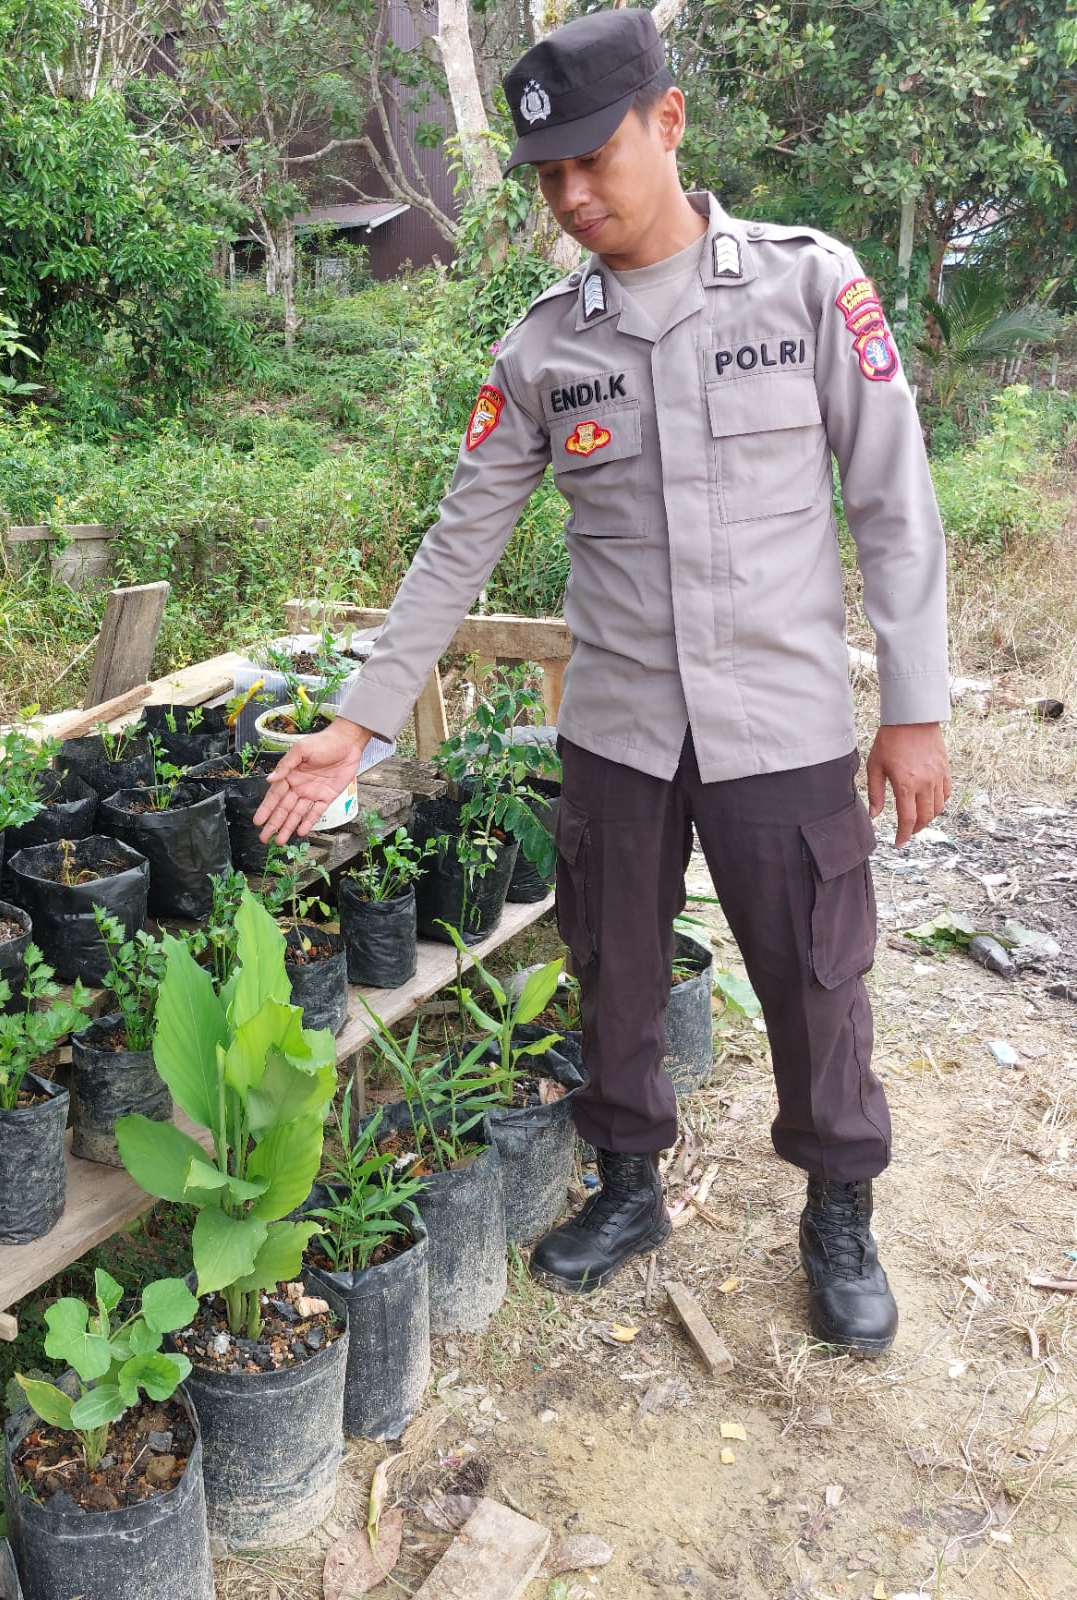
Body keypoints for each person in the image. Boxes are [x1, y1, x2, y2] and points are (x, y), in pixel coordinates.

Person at [253, 7, 952, 1357]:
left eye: (593, 159)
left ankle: (839, 1207)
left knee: (817, 977)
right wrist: (356, 720)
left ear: (668, 125)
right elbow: (460, 541)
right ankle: (629, 1185)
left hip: (784, 722)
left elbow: (893, 502)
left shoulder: (809, 287)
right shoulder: (538, 350)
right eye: (546, 177)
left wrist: (914, 709)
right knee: (613, 971)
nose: (572, 196)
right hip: (621, 730)